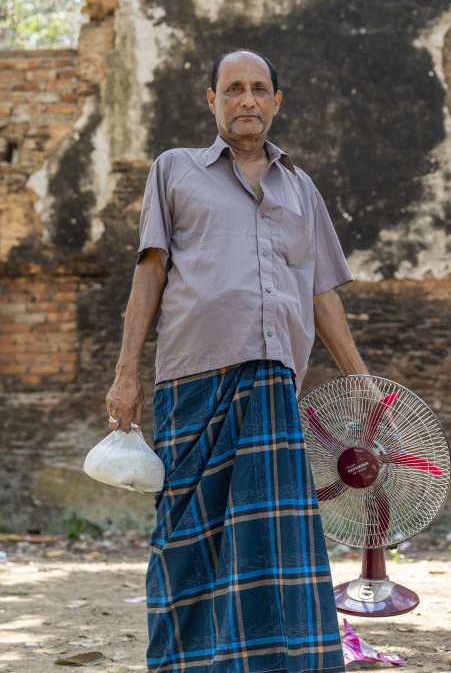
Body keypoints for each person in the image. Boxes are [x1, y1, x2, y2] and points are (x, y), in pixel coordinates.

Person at [106, 49, 369, 673]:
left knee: (270, 540)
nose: (246, 100)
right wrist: (125, 372)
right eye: (233, 89)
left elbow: (321, 291)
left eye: (258, 89)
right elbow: (151, 269)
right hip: (192, 381)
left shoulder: (301, 188)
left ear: (276, 102)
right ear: (212, 101)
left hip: (273, 383)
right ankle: (186, 662)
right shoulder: (174, 171)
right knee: (187, 536)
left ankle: (280, 661)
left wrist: (360, 377)